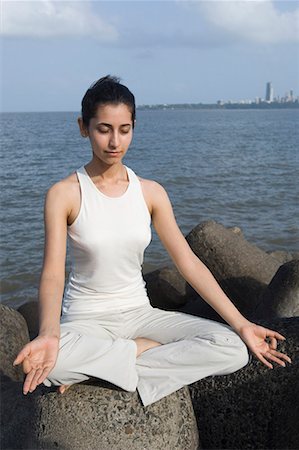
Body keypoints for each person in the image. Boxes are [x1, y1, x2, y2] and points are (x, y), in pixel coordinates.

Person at [14, 75, 291, 407]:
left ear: (133, 127)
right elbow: (53, 274)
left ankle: (104, 369)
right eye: (103, 129)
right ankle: (137, 354)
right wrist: (49, 333)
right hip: (86, 319)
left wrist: (243, 323)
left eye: (124, 129)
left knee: (232, 348)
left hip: (139, 314)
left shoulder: (150, 192)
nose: (115, 141)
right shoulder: (64, 194)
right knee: (44, 363)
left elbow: (188, 263)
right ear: (83, 127)